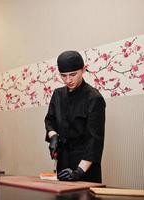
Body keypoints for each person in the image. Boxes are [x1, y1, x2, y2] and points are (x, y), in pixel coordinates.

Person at [44, 50, 106, 183]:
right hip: (63, 163)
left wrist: (78, 172)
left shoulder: (94, 98)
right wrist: (53, 136)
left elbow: (94, 142)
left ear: (83, 70)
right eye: (63, 76)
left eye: (73, 75)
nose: (68, 80)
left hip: (85, 167)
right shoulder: (58, 95)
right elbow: (50, 120)